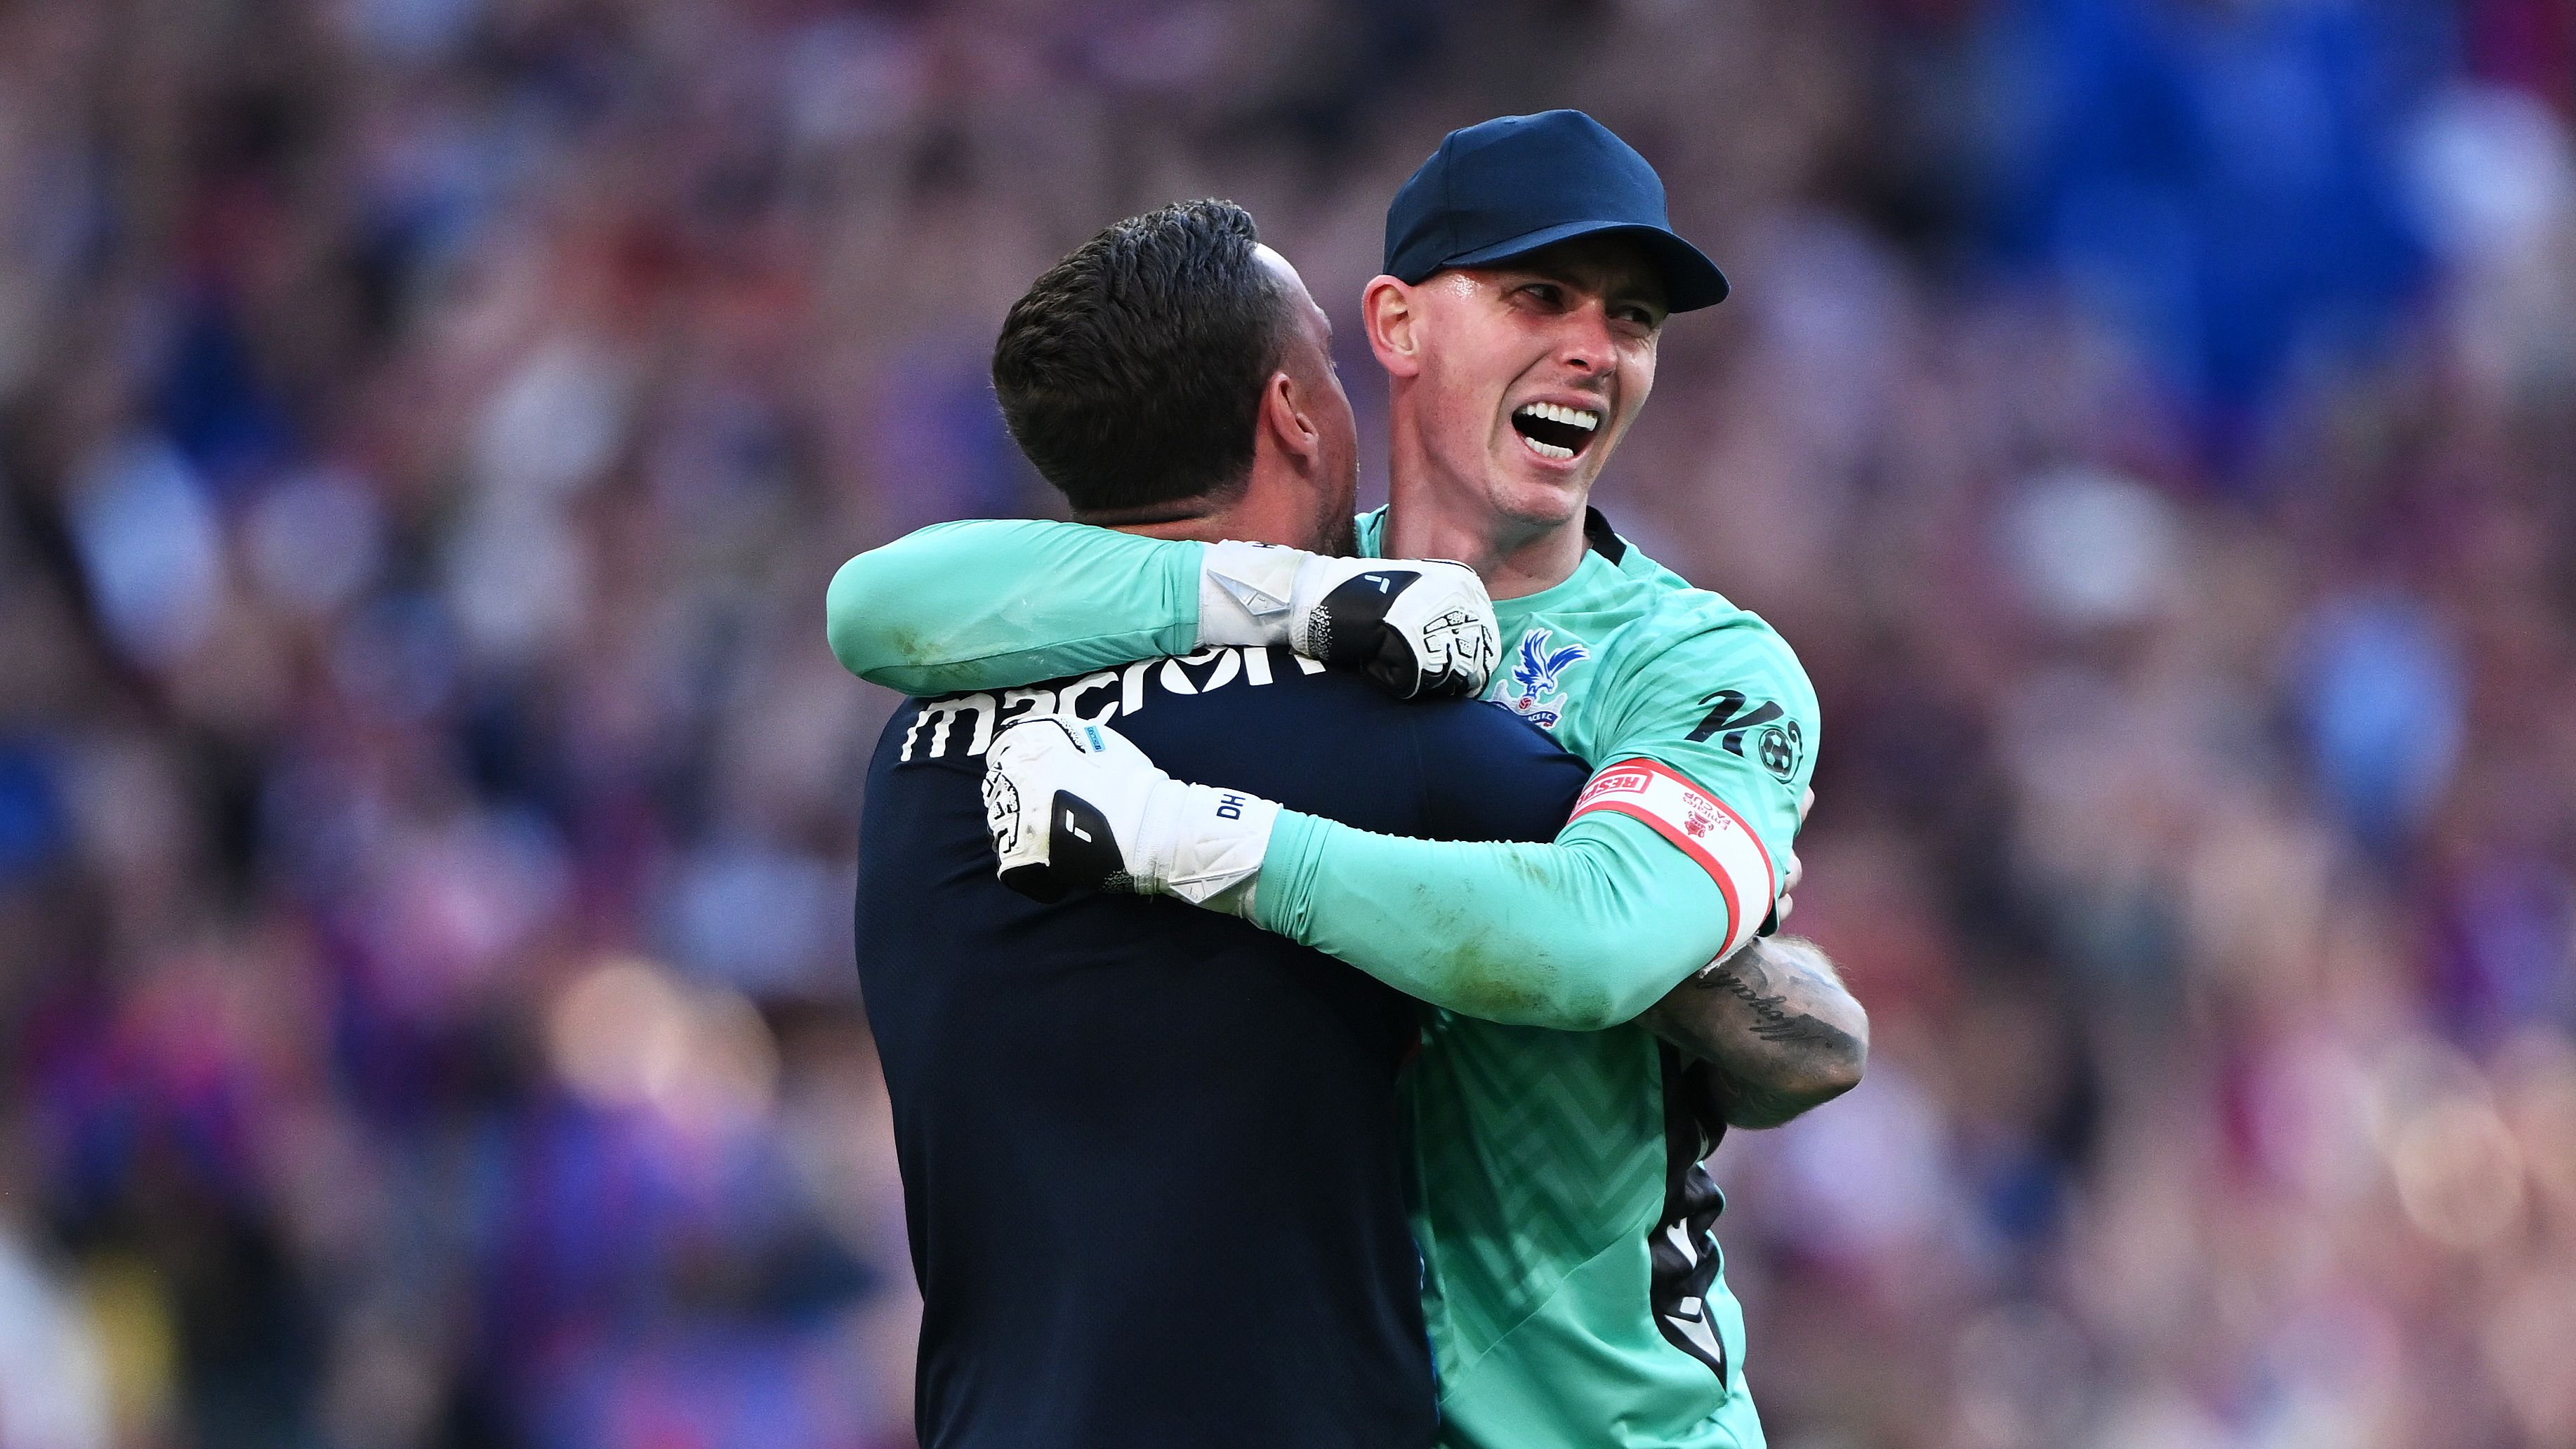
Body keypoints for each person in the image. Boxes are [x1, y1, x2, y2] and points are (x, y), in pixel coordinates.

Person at [831, 113, 1864, 1448]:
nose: (1593, 349)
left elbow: (1604, 941)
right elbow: (883, 605)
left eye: (1634, 319)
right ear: (1395, 323)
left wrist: (1200, 841)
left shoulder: (1694, 663)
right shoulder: (1301, 615)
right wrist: (1294, 601)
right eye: (1538, 296)